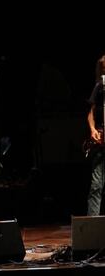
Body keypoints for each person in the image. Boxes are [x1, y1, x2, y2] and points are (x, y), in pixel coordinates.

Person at [87, 54, 105, 216]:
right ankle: (93, 226)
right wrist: (93, 129)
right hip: (101, 142)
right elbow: (91, 112)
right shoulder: (99, 87)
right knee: (96, 185)